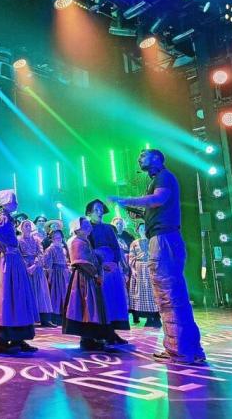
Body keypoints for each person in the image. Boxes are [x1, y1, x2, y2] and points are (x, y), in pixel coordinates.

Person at [110, 149, 205, 365]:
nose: (139, 159)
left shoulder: (163, 177)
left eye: (142, 156)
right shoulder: (162, 178)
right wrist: (137, 210)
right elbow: (156, 206)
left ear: (157, 158)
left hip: (163, 239)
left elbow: (158, 199)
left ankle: (179, 351)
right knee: (175, 295)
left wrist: (127, 199)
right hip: (165, 237)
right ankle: (189, 349)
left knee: (167, 294)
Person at [0, 189, 38, 355]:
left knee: (15, 298)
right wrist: (5, 249)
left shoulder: (7, 218)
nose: (16, 203)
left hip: (12, 260)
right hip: (8, 262)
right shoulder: (3, 218)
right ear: (4, 203)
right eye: (13, 201)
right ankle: (2, 340)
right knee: (7, 298)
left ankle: (18, 338)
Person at [62, 217, 111, 351]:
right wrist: (95, 274)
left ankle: (90, 337)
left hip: (89, 276)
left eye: (89, 224)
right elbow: (81, 261)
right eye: (86, 225)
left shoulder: (85, 241)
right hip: (84, 278)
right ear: (78, 228)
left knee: (90, 307)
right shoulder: (76, 242)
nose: (89, 226)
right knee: (86, 306)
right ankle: (87, 339)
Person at [86, 199, 130, 345]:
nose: (99, 212)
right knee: (100, 301)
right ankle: (97, 333)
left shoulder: (109, 228)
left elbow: (116, 247)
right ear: (89, 213)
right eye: (96, 210)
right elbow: (87, 249)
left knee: (113, 299)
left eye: (100, 209)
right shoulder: (87, 228)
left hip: (111, 267)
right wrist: (98, 265)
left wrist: (115, 262)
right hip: (97, 267)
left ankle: (111, 332)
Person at [18, 220, 55, 327]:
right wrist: (26, 267)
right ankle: (29, 318)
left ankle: (45, 319)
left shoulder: (37, 239)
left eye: (29, 225)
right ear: (21, 228)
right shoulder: (18, 240)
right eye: (26, 226)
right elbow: (19, 254)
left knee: (41, 292)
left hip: (37, 267)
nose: (28, 227)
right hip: (25, 268)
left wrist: (34, 265)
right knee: (28, 292)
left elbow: (40, 253)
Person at [128, 222, 162, 328]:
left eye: (144, 228)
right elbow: (131, 257)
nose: (143, 230)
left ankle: (155, 317)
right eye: (141, 228)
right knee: (142, 294)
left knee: (152, 293)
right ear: (138, 230)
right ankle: (147, 316)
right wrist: (133, 270)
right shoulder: (134, 243)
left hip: (150, 268)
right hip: (139, 269)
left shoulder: (152, 241)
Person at [42, 229, 70, 326]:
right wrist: (50, 275)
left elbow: (66, 261)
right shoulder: (50, 249)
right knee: (55, 295)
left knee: (64, 294)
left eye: (60, 237)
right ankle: (55, 317)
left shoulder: (63, 249)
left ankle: (64, 317)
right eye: (56, 237)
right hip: (55, 273)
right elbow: (47, 263)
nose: (58, 238)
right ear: (52, 238)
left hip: (63, 273)